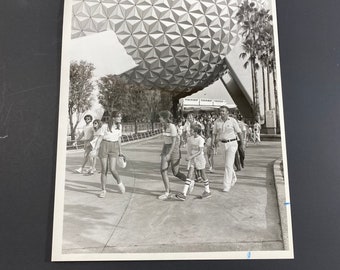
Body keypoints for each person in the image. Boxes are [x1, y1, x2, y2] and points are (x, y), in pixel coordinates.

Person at [91, 111, 125, 198]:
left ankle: (119, 182)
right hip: (104, 146)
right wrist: (95, 149)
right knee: (104, 170)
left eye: (120, 117)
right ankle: (103, 190)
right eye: (119, 117)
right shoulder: (105, 126)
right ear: (113, 118)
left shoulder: (119, 126)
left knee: (113, 169)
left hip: (114, 147)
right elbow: (100, 138)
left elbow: (119, 139)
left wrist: (120, 152)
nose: (120, 118)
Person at [211, 106, 245, 192]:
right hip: (222, 144)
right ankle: (233, 177)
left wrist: (242, 144)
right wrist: (213, 141)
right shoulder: (217, 122)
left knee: (228, 165)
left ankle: (226, 186)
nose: (221, 113)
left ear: (227, 112)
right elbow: (214, 133)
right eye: (220, 111)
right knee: (227, 164)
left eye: (223, 111)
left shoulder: (232, 121)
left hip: (232, 144)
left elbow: (239, 132)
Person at [175, 124, 211, 200]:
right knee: (189, 174)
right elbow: (189, 149)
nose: (190, 131)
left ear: (195, 132)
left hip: (200, 158)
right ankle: (184, 193)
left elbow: (200, 151)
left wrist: (191, 157)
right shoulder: (190, 138)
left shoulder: (201, 139)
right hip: (193, 159)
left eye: (191, 130)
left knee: (203, 174)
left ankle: (207, 191)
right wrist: (188, 156)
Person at [158, 110, 187, 200]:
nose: (159, 119)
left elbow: (174, 142)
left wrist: (169, 154)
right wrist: (163, 151)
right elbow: (166, 141)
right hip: (166, 149)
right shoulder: (164, 126)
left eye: (160, 117)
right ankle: (167, 191)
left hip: (174, 150)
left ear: (165, 118)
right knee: (163, 170)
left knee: (176, 172)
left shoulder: (172, 126)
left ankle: (189, 181)